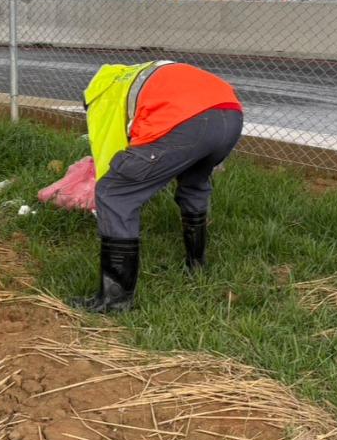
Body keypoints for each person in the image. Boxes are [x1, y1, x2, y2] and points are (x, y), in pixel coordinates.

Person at [71, 60, 244, 313]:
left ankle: (114, 302)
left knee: (114, 193)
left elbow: (109, 150)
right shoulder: (131, 76)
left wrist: (117, 177)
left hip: (187, 121)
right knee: (194, 182)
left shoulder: (102, 97)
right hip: (230, 116)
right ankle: (196, 265)